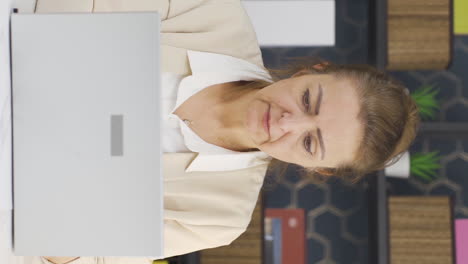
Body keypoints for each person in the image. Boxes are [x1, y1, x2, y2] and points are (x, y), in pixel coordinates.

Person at [20, 0, 419, 263]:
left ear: (318, 170)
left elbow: (80, 257)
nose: (286, 122)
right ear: (309, 72)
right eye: (308, 101)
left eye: (310, 142)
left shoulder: (220, 218)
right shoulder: (212, 14)